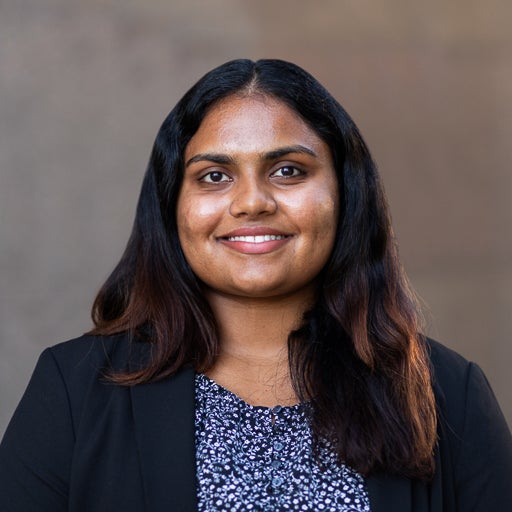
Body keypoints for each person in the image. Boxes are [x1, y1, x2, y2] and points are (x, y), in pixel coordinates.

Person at [0, 59, 511, 512]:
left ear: (345, 194)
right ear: (171, 204)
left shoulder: (448, 394)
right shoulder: (72, 390)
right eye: (215, 176)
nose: (251, 202)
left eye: (288, 170)